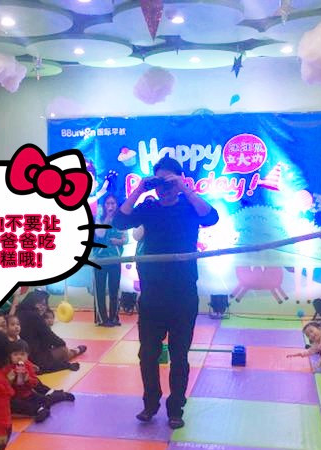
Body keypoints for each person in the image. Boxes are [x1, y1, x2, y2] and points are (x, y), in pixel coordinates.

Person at [112, 156, 218, 429]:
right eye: (160, 181)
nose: (164, 187)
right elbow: (120, 220)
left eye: (169, 181)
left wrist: (184, 188)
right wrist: (140, 189)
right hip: (152, 295)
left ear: (179, 181)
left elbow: (211, 217)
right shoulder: (149, 207)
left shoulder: (189, 206)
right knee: (147, 354)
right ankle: (150, 404)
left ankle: (175, 409)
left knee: (179, 356)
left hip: (183, 294)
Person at [4, 340, 74, 422]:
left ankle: (61, 396)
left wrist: (28, 379)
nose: (19, 357)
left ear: (27, 356)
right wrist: (9, 380)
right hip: (17, 397)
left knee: (44, 400)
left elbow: (35, 383)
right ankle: (41, 410)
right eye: (15, 354)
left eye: (22, 354)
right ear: (10, 356)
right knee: (23, 406)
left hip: (29, 394)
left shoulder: (28, 366)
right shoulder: (8, 369)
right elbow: (5, 388)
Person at [15, 293, 85, 374]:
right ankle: (76, 351)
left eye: (44, 304)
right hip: (34, 359)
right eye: (39, 303)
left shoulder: (18, 313)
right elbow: (50, 337)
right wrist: (62, 343)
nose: (42, 307)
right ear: (32, 302)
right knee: (63, 350)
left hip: (20, 356)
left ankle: (74, 351)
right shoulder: (35, 316)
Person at [94, 194, 128, 327]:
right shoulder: (98, 219)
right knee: (100, 290)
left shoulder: (120, 220)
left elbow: (125, 239)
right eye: (108, 203)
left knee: (114, 289)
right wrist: (108, 218)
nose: (110, 206)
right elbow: (100, 234)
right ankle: (102, 319)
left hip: (115, 259)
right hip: (100, 260)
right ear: (104, 206)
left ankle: (114, 317)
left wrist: (119, 241)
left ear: (117, 205)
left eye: (113, 203)